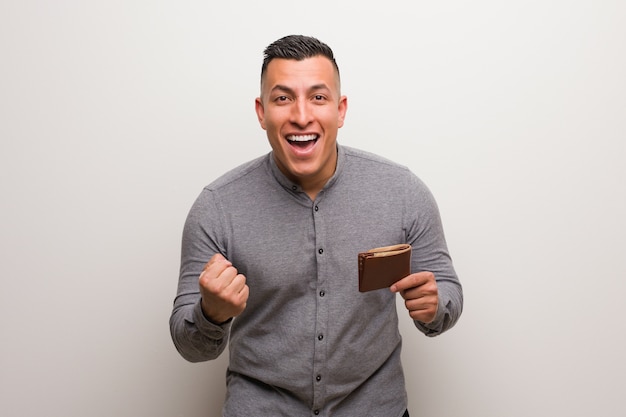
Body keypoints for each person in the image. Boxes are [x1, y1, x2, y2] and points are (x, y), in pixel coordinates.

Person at [170, 35, 463, 417]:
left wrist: (435, 305)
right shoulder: (217, 207)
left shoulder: (404, 191)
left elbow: (448, 292)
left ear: (341, 110)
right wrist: (211, 313)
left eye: (318, 98)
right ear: (261, 112)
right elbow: (189, 346)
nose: (302, 115)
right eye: (283, 98)